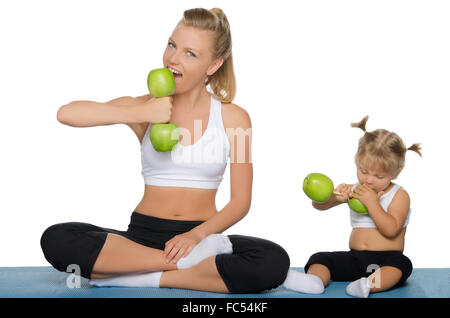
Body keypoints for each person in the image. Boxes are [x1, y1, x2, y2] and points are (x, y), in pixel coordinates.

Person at [40, 7, 290, 294]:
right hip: (140, 239)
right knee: (57, 238)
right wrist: (143, 110)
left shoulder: (236, 118)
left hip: (201, 238)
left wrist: (196, 237)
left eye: (190, 53)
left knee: (272, 259)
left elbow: (240, 202)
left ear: (213, 65)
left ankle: (134, 274)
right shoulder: (145, 107)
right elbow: (67, 114)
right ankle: (180, 267)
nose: (173, 58)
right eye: (172, 45)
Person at [282, 115, 421, 297]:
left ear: (395, 172)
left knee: (401, 265)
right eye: (363, 171)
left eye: (379, 177)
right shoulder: (356, 190)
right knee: (320, 258)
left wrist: (373, 204)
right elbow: (318, 206)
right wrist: (335, 199)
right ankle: (314, 281)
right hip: (354, 259)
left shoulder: (399, 195)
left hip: (385, 260)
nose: (369, 180)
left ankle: (368, 285)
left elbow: (391, 229)